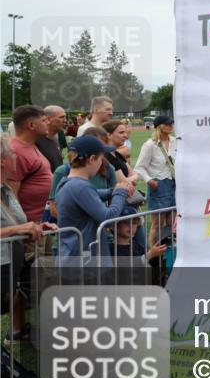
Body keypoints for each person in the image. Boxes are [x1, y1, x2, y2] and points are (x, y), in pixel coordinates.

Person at [2, 134, 56, 338]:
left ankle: (17, 333)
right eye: (12, 154)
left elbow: (12, 223)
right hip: (3, 260)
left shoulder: (6, 189)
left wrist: (36, 227)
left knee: (14, 296)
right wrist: (17, 230)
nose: (16, 157)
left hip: (11, 259)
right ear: (2, 161)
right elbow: (13, 228)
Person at [55, 135, 131, 258]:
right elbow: (108, 218)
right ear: (92, 159)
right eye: (101, 159)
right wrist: (120, 193)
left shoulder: (68, 182)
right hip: (84, 259)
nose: (102, 163)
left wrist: (114, 191)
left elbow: (94, 194)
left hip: (76, 254)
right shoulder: (81, 187)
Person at [7, 105, 53, 223]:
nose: (48, 123)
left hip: (36, 224)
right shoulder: (16, 151)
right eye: (44, 120)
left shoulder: (30, 145)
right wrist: (22, 227)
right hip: (26, 227)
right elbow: (10, 196)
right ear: (31, 125)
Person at [36, 105, 67, 172]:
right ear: (48, 119)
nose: (65, 120)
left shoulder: (55, 140)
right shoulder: (36, 142)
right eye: (61, 117)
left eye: (65, 117)